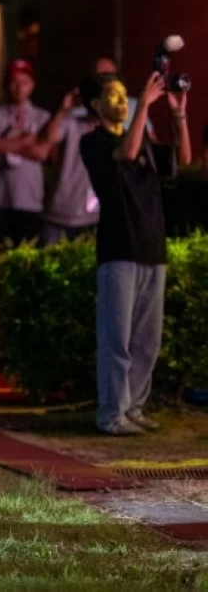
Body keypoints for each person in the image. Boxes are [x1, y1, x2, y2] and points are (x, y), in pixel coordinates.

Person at [79, 71, 189, 436]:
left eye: (127, 94)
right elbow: (125, 153)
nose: (122, 101)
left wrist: (177, 115)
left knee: (147, 339)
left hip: (151, 247)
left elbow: (184, 159)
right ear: (95, 104)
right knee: (117, 337)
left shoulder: (142, 140)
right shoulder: (92, 142)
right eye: (113, 94)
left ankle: (135, 408)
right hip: (119, 248)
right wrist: (144, 105)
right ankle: (112, 414)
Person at [0, 59, 50, 246]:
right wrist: (26, 141)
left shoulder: (42, 117)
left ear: (32, 86)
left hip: (30, 201)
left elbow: (42, 153)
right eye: (14, 82)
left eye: (24, 82)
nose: (19, 88)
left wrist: (5, 143)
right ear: (6, 85)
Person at [36, 86, 100, 245]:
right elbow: (47, 138)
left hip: (93, 218)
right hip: (59, 215)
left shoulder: (114, 133)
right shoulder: (72, 124)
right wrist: (63, 109)